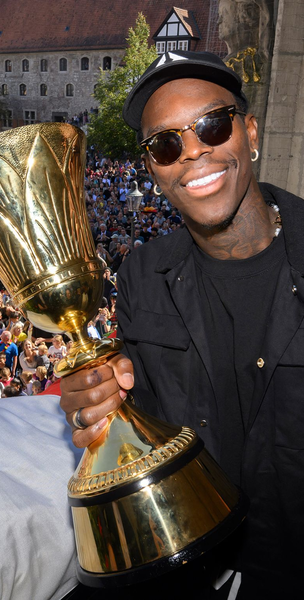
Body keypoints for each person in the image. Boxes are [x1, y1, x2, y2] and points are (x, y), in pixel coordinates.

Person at [60, 50, 300, 596]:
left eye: (212, 126)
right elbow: (137, 404)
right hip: (191, 568)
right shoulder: (143, 276)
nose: (193, 151)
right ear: (152, 168)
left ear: (251, 132)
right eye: (166, 144)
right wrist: (98, 397)